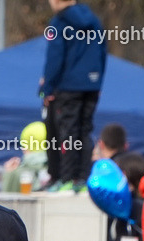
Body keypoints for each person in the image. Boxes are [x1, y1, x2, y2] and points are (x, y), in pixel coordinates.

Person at [40, 0, 106, 192]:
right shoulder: (94, 20)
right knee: (85, 130)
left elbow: (55, 57)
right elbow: (102, 52)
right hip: (91, 84)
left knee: (66, 130)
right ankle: (83, 178)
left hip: (67, 85)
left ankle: (66, 178)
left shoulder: (58, 22)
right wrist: (97, 82)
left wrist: (48, 88)